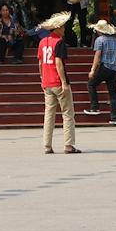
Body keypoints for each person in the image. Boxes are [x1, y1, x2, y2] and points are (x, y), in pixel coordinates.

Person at [37, 13, 77, 154]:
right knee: (67, 114)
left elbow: (41, 62)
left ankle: (47, 146)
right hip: (58, 82)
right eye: (63, 27)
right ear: (58, 28)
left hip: (47, 83)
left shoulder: (42, 42)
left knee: (49, 115)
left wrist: (42, 78)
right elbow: (59, 63)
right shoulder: (59, 42)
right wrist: (64, 82)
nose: (65, 29)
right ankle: (68, 145)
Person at [84, 18, 116, 123]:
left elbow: (97, 55)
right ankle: (114, 117)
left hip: (105, 67)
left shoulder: (100, 40)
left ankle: (94, 107)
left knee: (91, 85)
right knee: (113, 93)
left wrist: (93, 69)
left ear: (100, 30)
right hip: (115, 69)